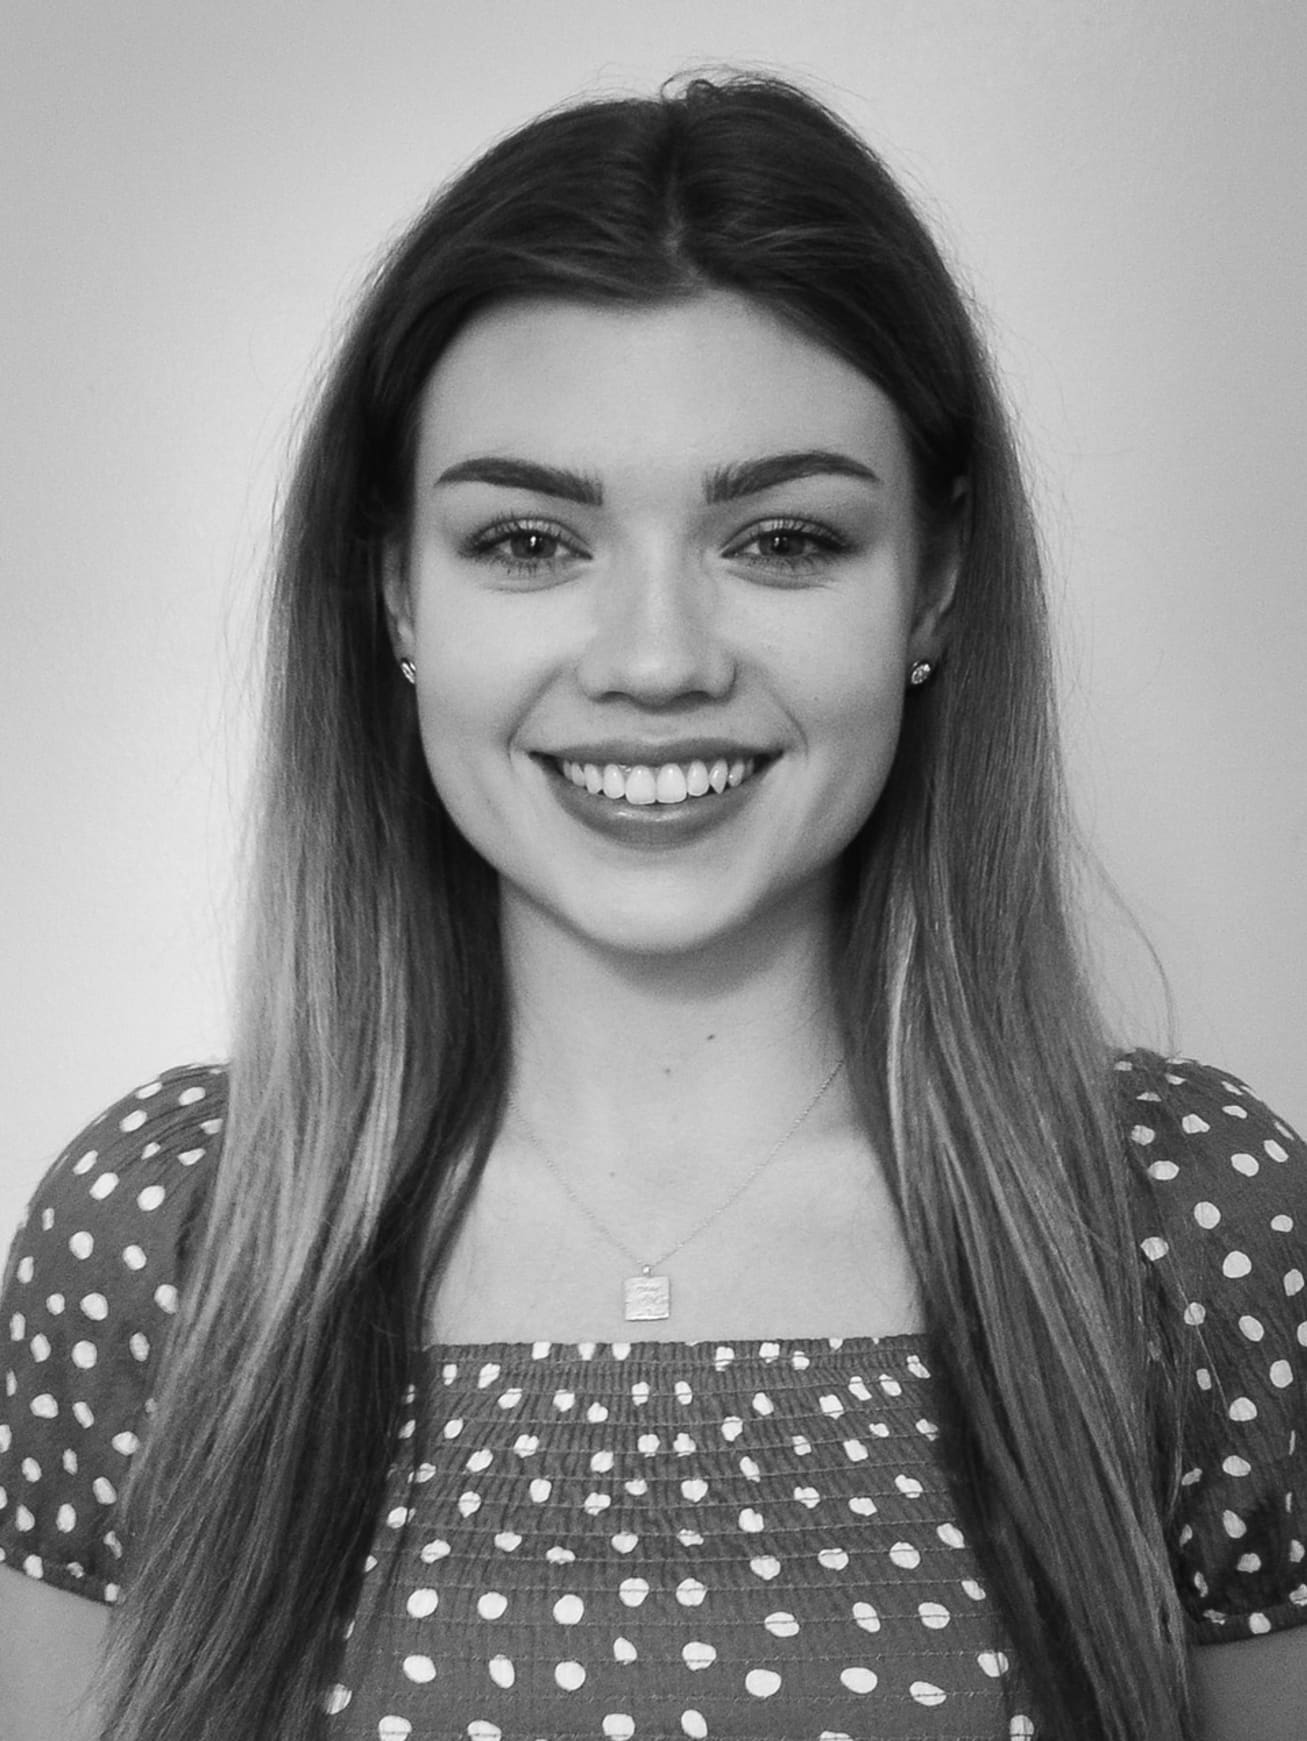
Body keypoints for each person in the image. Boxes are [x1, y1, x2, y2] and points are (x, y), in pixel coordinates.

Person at [0, 71, 1303, 1741]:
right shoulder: (165, 1240)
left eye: (780, 536)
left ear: (940, 579)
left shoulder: (1194, 1230)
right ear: (395, 585)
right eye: (533, 540)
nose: (656, 658)